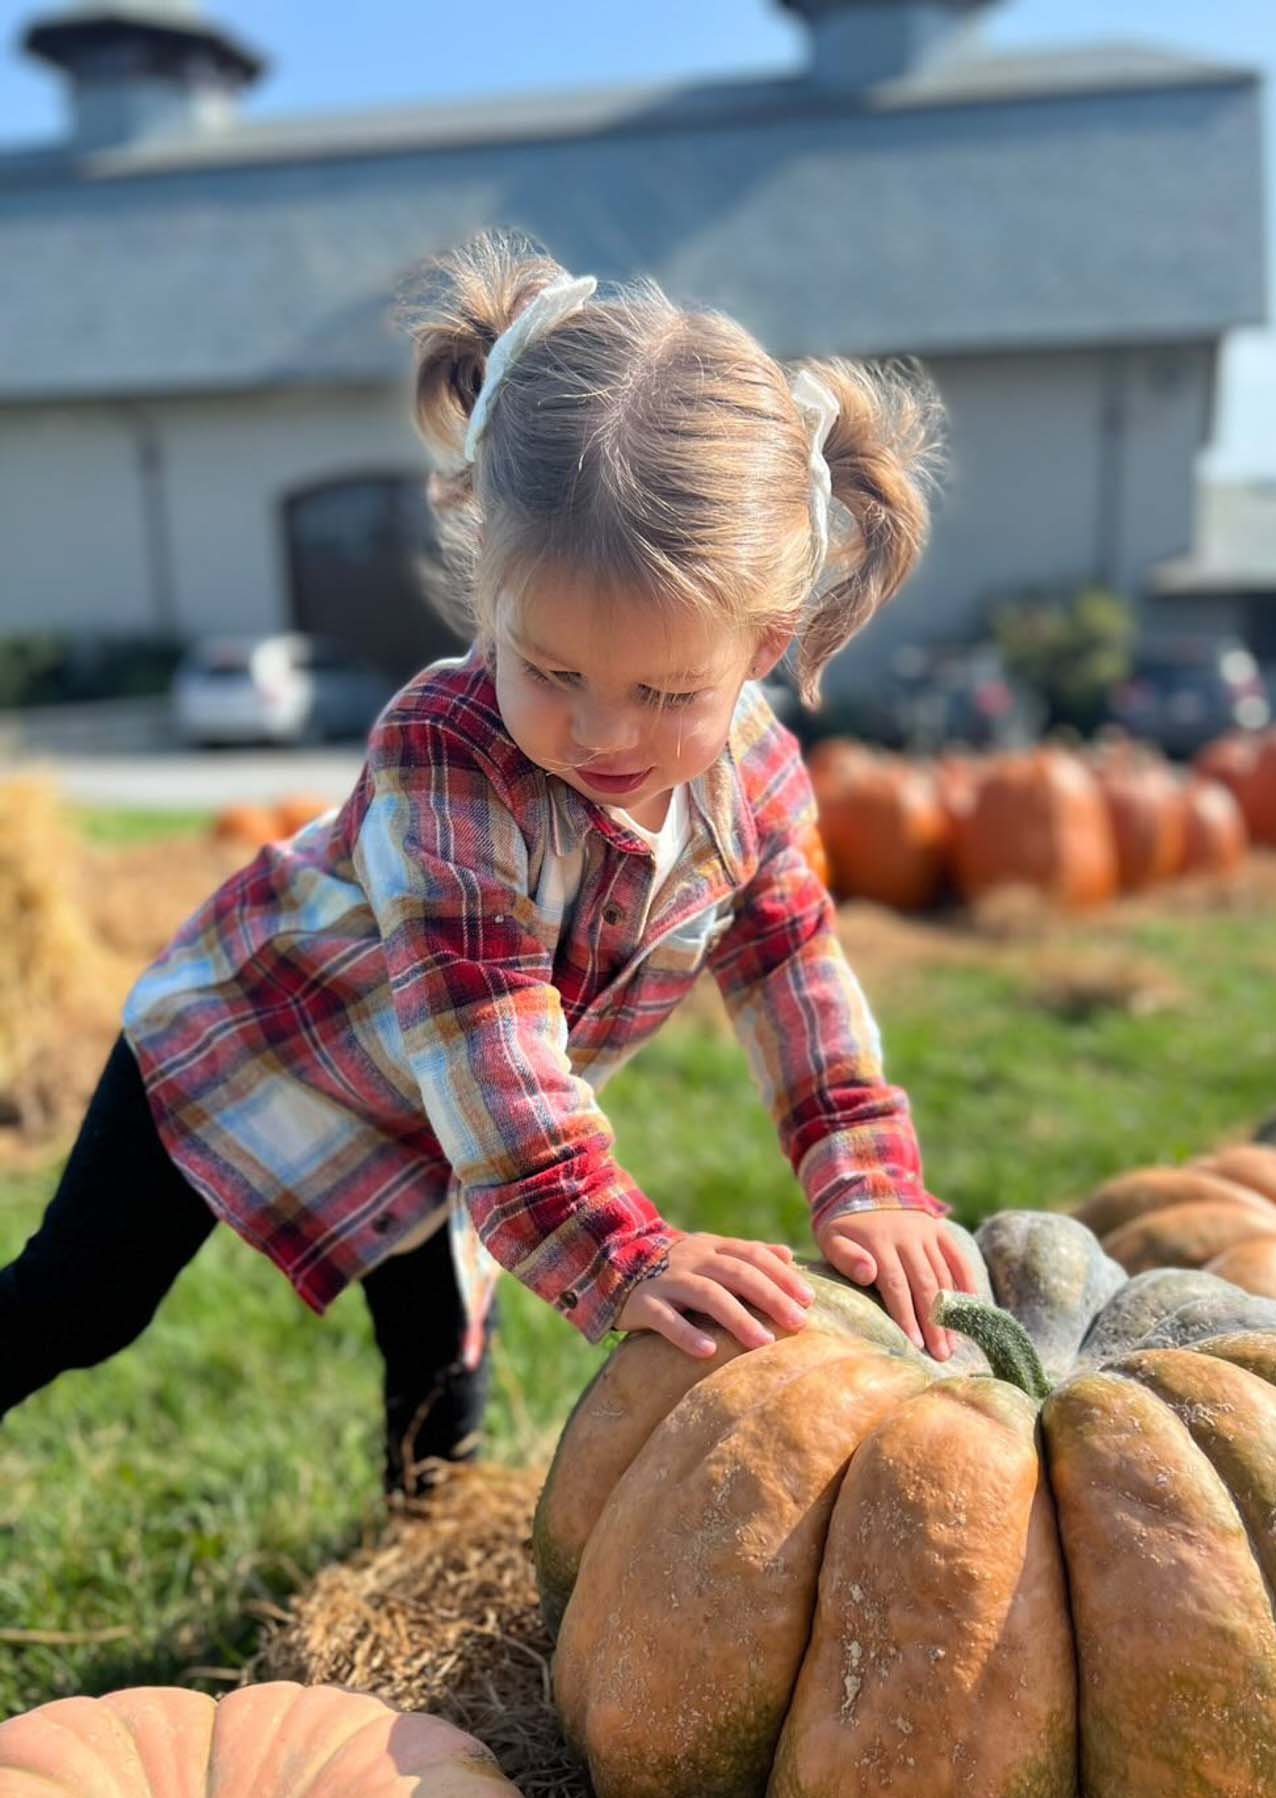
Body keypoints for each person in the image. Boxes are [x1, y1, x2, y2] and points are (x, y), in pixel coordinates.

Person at [0, 230, 970, 1494]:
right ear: (486, 592)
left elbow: (796, 978)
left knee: (442, 1391)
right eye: (553, 670)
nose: (605, 732)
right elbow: (493, 1047)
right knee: (83, 1301)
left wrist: (868, 1175)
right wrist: (624, 1255)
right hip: (261, 1048)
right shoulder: (446, 756)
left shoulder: (761, 781)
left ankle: (413, 1569)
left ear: (766, 645)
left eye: (668, 688)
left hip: (447, 1131)